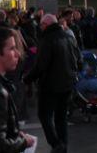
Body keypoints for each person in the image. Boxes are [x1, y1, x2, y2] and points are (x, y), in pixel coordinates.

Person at [24, 14, 81, 153]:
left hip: (50, 85)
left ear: (46, 24)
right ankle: (63, 144)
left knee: (44, 115)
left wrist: (27, 78)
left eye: (42, 25)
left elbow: (41, 65)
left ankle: (56, 144)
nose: (40, 27)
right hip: (68, 83)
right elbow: (79, 60)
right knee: (61, 117)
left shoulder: (47, 40)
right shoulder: (69, 37)